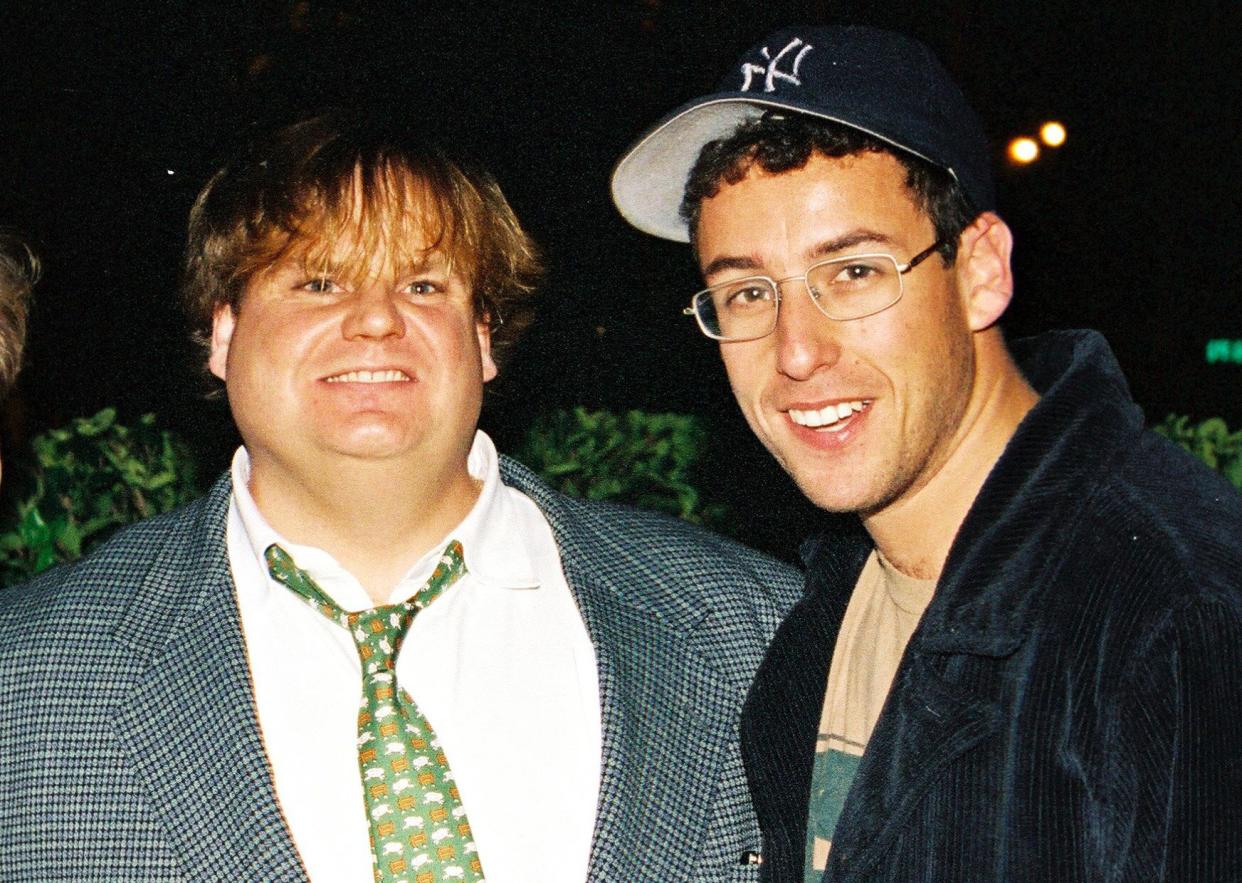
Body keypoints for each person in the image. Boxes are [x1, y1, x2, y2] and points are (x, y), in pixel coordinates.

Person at [0, 113, 802, 882]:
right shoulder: (31, 675)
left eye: (422, 284)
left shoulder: (757, 628)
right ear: (223, 332)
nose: (377, 319)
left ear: (483, 336)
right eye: (318, 282)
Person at [611, 25, 1242, 883]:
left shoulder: (1174, 617)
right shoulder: (823, 608)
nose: (797, 351)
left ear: (979, 269)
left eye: (856, 273)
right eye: (748, 292)